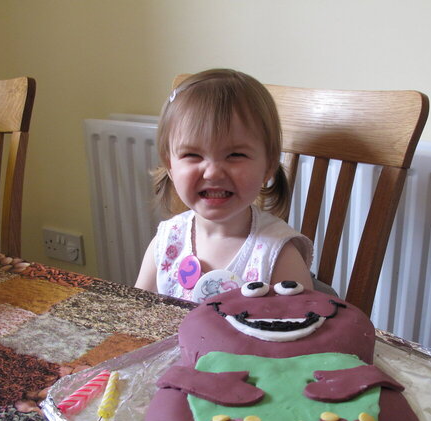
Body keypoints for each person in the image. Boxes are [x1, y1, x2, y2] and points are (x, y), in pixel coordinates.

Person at [134, 68, 314, 302]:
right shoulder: (167, 241)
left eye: (235, 154)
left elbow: (299, 332)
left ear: (268, 165)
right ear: (170, 165)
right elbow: (136, 314)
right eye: (192, 155)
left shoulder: (277, 255)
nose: (213, 172)